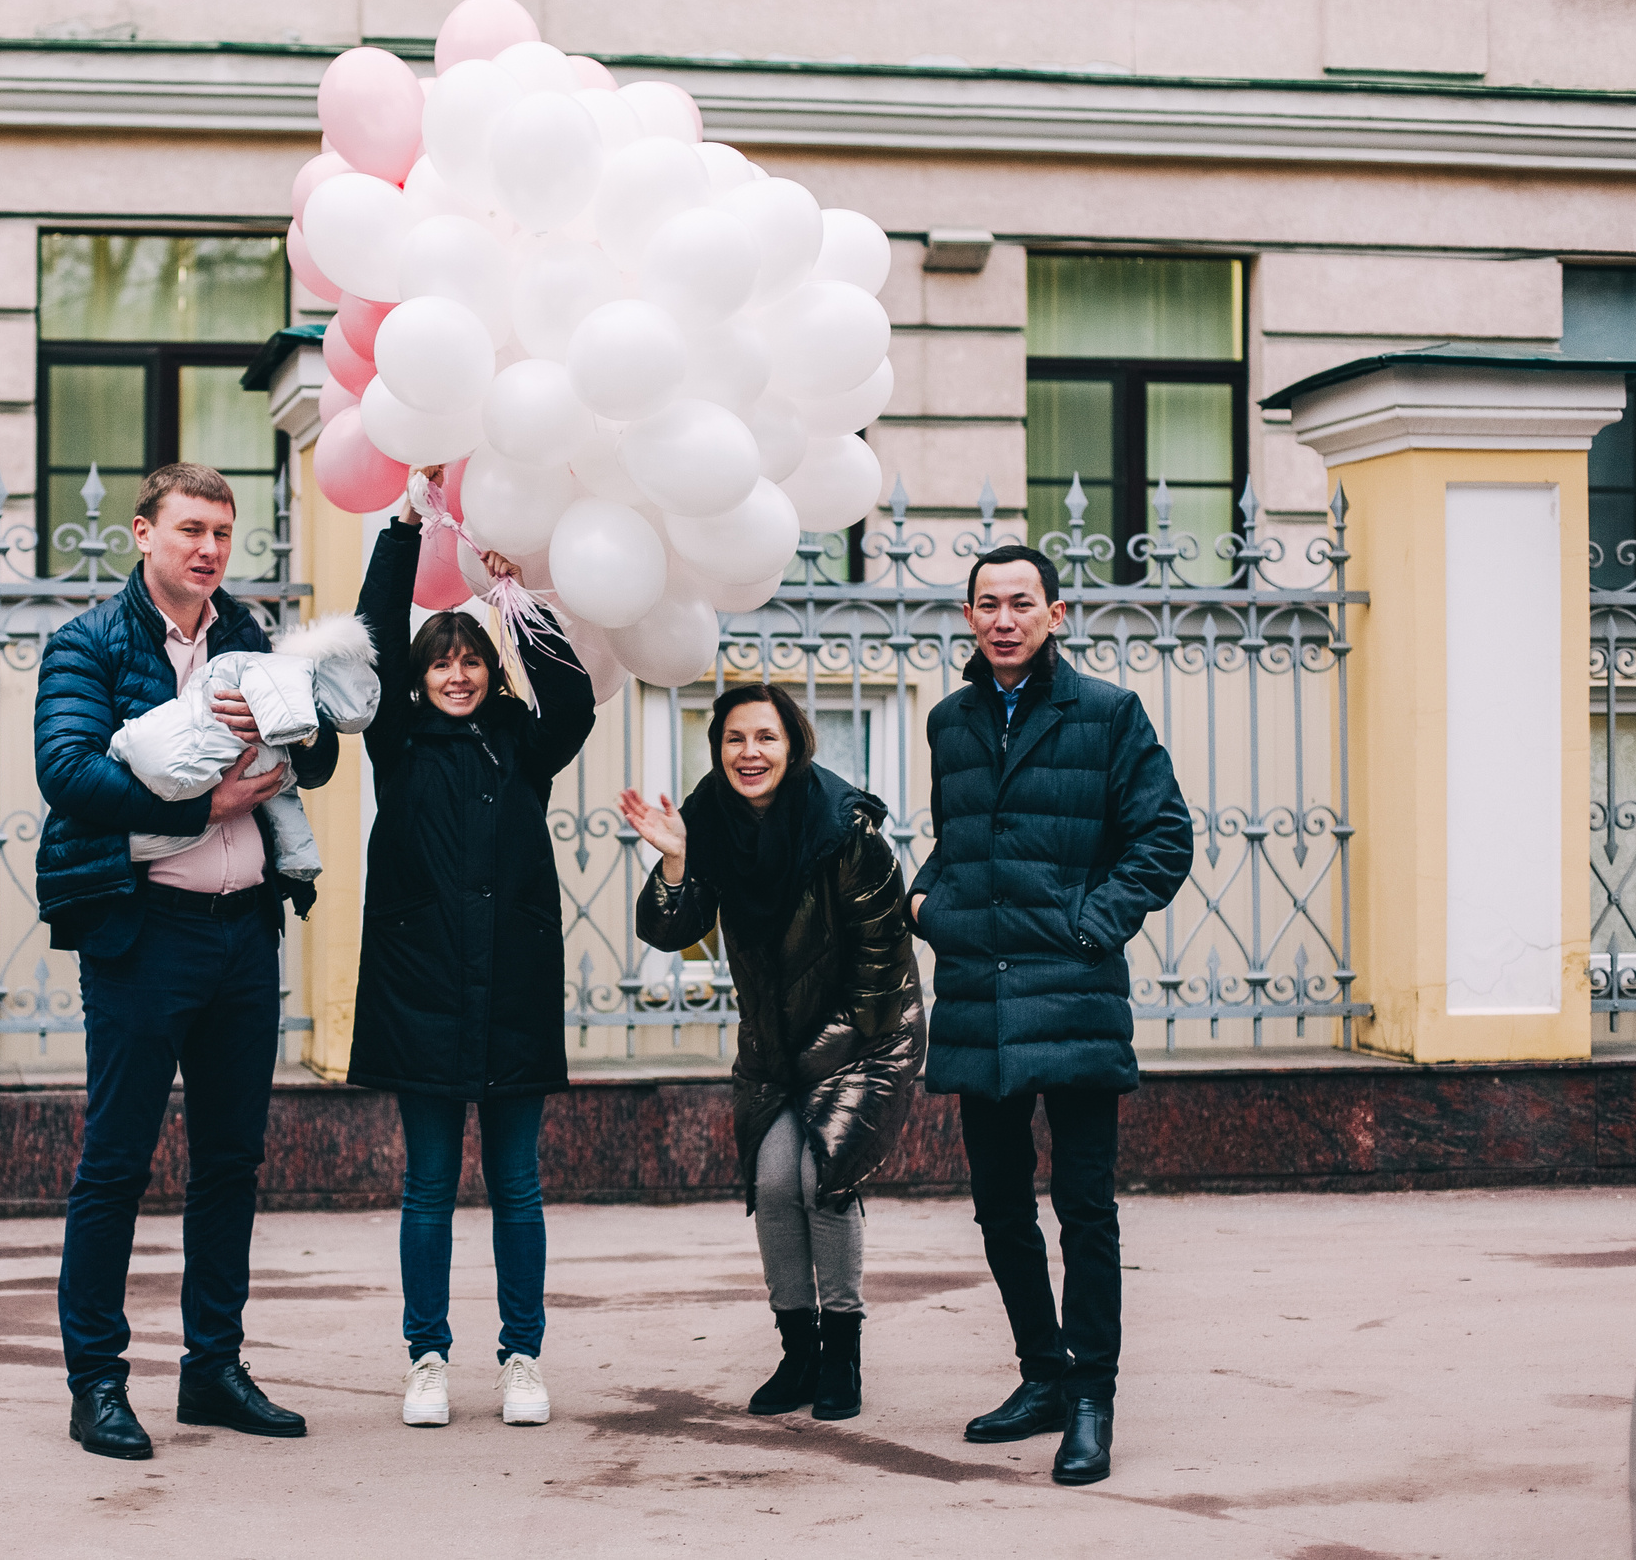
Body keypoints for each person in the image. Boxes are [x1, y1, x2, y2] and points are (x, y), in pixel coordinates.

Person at [35, 462, 341, 1462]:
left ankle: (213, 1368)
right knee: (116, 1163)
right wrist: (200, 807)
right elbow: (66, 770)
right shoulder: (88, 643)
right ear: (142, 533)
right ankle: (96, 1382)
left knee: (230, 1162)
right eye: (190, 529)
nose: (209, 548)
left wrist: (291, 725)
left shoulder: (249, 633)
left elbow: (322, 754)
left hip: (245, 931)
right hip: (145, 934)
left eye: (222, 532)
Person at [907, 544, 1192, 1486]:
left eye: (1021, 602)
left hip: (1072, 994)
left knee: (1084, 1208)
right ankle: (1043, 1372)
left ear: (1055, 614)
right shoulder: (950, 721)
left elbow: (1164, 837)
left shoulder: (1107, 713)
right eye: (987, 603)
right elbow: (958, 842)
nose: (1004, 619)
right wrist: (925, 904)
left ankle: (1092, 1397)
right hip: (981, 997)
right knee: (998, 1204)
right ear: (969, 616)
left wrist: (1090, 925)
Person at [347, 480, 595, 1430]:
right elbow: (373, 636)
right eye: (442, 662)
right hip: (422, 993)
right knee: (427, 1188)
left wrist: (514, 598)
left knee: (519, 1187)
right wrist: (404, 530)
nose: (457, 675)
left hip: (514, 991)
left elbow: (572, 695)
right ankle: (427, 1357)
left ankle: (522, 1356)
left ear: (491, 671)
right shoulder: (397, 738)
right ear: (422, 677)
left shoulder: (522, 742)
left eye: (472, 661)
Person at [619, 684, 922, 1425]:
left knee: (821, 1176)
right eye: (734, 739)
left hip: (866, 1038)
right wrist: (675, 861)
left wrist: (805, 1060)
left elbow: (881, 975)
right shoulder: (711, 822)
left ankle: (842, 1352)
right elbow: (669, 931)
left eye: (766, 737)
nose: (749, 753)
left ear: (794, 746)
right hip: (773, 1049)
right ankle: (798, 1352)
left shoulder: (846, 831)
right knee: (774, 1179)